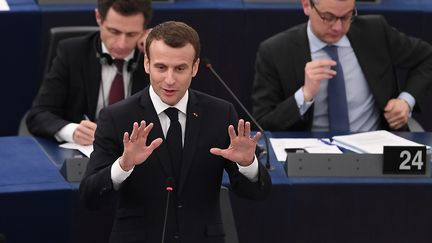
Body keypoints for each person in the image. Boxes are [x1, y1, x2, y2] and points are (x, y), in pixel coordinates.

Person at [79, 21, 271, 243]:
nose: (169, 80)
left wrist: (247, 165)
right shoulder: (116, 117)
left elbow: (257, 194)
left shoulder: (220, 114)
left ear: (195, 67)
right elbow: (89, 197)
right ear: (147, 64)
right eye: (161, 67)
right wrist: (123, 165)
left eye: (180, 68)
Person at [252, 0, 432, 132]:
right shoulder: (275, 51)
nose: (338, 27)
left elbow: (427, 57)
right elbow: (263, 123)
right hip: (309, 154)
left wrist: (406, 101)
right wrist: (304, 96)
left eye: (346, 17)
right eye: (328, 17)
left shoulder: (375, 31)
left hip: (373, 145)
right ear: (307, 6)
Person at [26, 0, 153, 145]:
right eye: (114, 31)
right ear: (99, 17)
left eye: (132, 34)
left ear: (144, 29)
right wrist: (73, 131)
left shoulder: (154, 57)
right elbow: (38, 115)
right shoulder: (72, 53)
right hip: (84, 155)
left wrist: (157, 48)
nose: (121, 44)